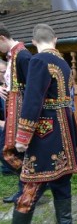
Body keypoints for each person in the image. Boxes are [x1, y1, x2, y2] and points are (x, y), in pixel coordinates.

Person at [12, 23, 77, 224]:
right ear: (55, 39)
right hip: (65, 132)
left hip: (45, 135)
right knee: (61, 182)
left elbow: (33, 100)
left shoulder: (39, 60)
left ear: (34, 42)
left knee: (31, 184)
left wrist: (22, 137)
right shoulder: (64, 63)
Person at [0, 23, 32, 205]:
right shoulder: (13, 56)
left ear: (1, 38)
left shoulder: (23, 55)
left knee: (10, 151)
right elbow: (15, 84)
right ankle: (28, 184)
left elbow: (32, 88)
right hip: (12, 109)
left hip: (20, 112)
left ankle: (31, 183)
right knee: (9, 151)